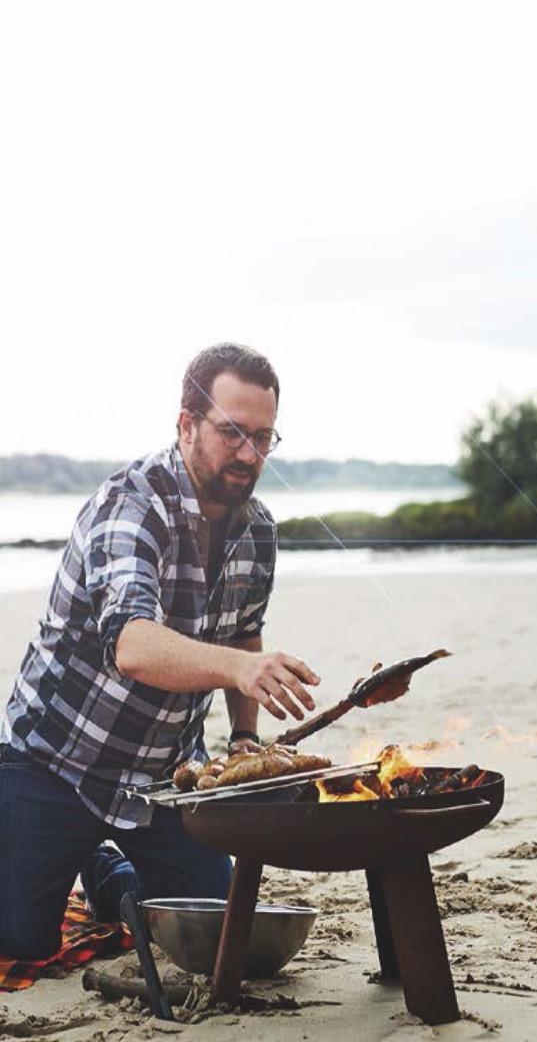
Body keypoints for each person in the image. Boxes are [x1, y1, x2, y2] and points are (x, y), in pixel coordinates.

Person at [0, 342, 319, 961]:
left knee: (217, 932)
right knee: (18, 941)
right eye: (232, 433)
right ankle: (88, 855)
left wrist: (245, 741)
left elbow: (244, 629)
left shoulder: (260, 530)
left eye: (264, 437)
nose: (250, 454)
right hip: (55, 763)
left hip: (165, 778)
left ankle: (111, 881)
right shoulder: (131, 505)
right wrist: (241, 668)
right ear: (186, 424)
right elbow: (134, 646)